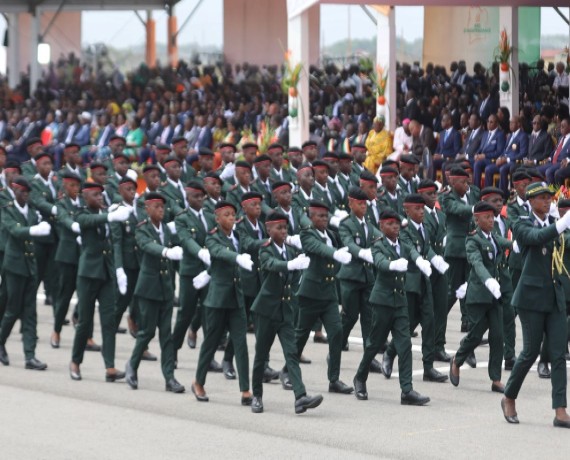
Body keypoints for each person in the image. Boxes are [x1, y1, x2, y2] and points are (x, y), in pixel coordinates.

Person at [502, 182, 570, 428]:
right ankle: (509, 396)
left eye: (549, 197)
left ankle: (560, 409)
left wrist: (559, 223)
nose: (547, 201)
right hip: (530, 298)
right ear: (531, 201)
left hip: (554, 295)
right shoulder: (521, 221)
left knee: (558, 353)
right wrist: (560, 224)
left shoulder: (553, 222)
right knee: (530, 352)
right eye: (542, 198)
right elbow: (534, 237)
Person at [352, 209, 431, 405]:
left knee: (405, 345)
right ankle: (360, 377)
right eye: (390, 224)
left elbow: (412, 250)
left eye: (397, 224)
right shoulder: (378, 246)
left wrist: (420, 260)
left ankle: (407, 390)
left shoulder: (402, 244)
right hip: (382, 302)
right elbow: (379, 262)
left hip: (400, 302)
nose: (395, 227)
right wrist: (394, 265)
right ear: (381, 226)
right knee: (374, 344)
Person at [250, 212, 323, 414]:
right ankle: (257, 395)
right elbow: (270, 265)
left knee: (292, 354)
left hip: (285, 312)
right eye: (278, 228)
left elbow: (294, 277)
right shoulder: (265, 250)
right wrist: (291, 265)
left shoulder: (291, 250)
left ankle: (300, 397)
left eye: (285, 228)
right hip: (266, 311)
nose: (283, 231)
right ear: (268, 229)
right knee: (261, 356)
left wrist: (298, 270)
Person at [381, 194, 449, 383]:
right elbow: (410, 248)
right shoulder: (403, 229)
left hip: (424, 282)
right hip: (410, 283)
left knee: (429, 322)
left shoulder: (425, 228)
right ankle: (389, 353)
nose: (421, 212)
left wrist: (436, 259)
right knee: (409, 323)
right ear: (407, 210)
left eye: (422, 209)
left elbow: (426, 247)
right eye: (417, 209)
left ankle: (428, 367)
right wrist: (419, 260)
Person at [191, 200, 253, 404]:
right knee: (210, 343)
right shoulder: (212, 237)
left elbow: (249, 246)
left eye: (233, 215)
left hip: (236, 298)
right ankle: (198, 382)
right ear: (217, 219)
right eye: (226, 215)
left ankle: (245, 389)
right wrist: (237, 257)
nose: (231, 218)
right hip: (217, 300)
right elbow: (218, 253)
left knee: (240, 343)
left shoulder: (237, 237)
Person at [69, 182, 130, 382]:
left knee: (109, 321)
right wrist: (110, 216)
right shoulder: (81, 213)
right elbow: (88, 222)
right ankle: (75, 362)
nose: (100, 198)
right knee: (85, 322)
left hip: (105, 273)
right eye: (95, 195)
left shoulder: (106, 212)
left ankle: (110, 367)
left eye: (101, 195)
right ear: (85, 197)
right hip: (88, 273)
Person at [124, 192, 185, 393]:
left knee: (166, 335)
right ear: (147, 209)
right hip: (149, 289)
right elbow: (147, 246)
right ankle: (132, 366)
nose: (161, 210)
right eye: (157, 207)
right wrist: (166, 252)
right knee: (147, 332)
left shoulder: (167, 229)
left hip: (166, 289)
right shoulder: (142, 230)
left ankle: (169, 378)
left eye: (163, 207)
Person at [294, 200, 354, 394]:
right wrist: (336, 254)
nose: (324, 219)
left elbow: (343, 246)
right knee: (301, 335)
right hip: (311, 294)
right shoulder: (307, 234)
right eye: (319, 216)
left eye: (326, 216)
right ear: (311, 218)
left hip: (328, 294)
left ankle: (334, 379)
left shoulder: (332, 235)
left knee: (337, 333)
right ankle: (289, 370)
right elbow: (320, 249)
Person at [450, 201, 507, 393]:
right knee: (475, 335)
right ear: (477, 219)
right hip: (479, 295)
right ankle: (457, 360)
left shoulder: (494, 237)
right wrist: (489, 281)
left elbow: (506, 243)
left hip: (494, 296)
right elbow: (477, 263)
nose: (491, 220)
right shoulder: (472, 240)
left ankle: (496, 378)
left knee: (498, 336)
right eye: (487, 217)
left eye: (493, 217)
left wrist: (519, 244)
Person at [0, 177, 50, 370]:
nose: (25, 196)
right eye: (23, 192)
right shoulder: (8, 209)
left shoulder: (31, 211)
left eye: (28, 193)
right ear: (15, 191)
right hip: (14, 266)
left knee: (30, 311)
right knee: (13, 308)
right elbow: (15, 231)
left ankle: (30, 355)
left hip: (30, 265)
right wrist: (35, 230)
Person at [337, 187, 381, 374]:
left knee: (369, 319)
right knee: (349, 316)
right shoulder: (346, 224)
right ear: (350, 203)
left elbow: (379, 238)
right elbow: (349, 244)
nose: (363, 207)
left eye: (365, 204)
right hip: (351, 277)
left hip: (367, 277)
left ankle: (369, 357)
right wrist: (362, 253)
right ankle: (335, 348)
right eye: (359, 203)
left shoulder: (369, 224)